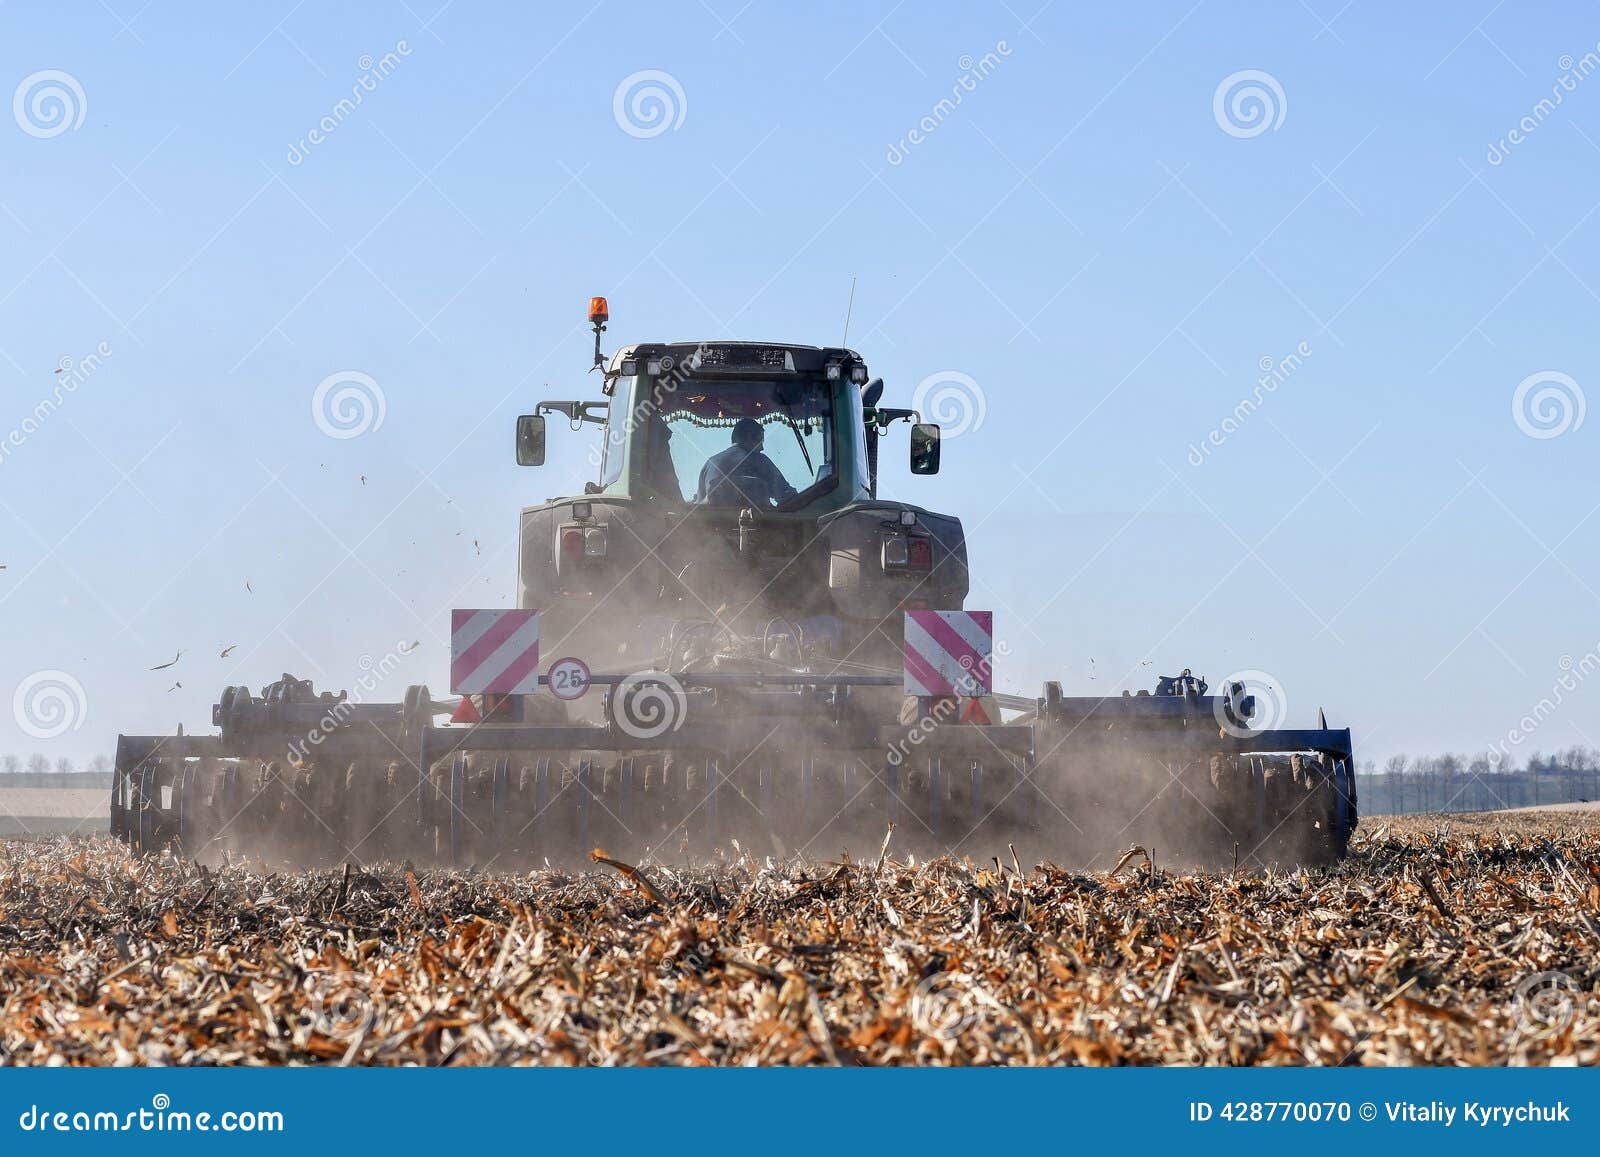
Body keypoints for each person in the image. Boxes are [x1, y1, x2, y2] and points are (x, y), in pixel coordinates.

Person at [694, 417, 797, 508]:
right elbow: (787, 496)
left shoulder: (709, 463)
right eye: (760, 441)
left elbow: (699, 506)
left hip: (712, 523)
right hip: (759, 523)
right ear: (750, 437)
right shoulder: (760, 460)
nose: (762, 448)